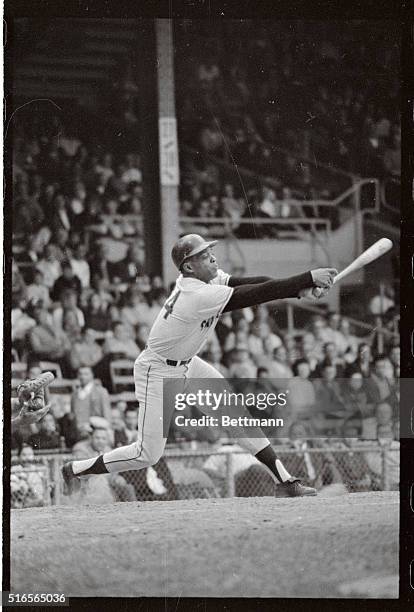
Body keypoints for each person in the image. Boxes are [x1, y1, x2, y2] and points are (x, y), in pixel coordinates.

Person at [63, 234, 337, 497]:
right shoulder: (195, 294)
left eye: (210, 253)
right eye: (204, 256)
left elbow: (256, 283)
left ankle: (285, 481)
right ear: (189, 266)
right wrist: (307, 278)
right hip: (157, 370)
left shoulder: (207, 279)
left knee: (237, 415)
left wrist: (299, 290)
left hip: (188, 363)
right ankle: (76, 470)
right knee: (147, 453)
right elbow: (256, 294)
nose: (213, 259)